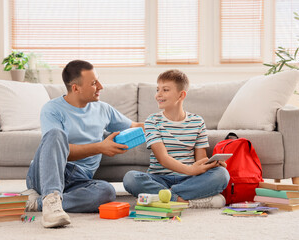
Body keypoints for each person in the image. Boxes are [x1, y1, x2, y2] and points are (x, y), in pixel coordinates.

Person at [23, 60, 144, 228]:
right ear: (75, 88)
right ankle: (51, 198)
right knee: (56, 134)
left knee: (106, 192)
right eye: (94, 83)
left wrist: (164, 123)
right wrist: (99, 147)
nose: (101, 86)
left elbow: (135, 126)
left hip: (79, 178)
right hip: (46, 172)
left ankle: (39, 203)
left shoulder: (103, 109)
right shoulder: (52, 109)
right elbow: (56, 149)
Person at [123, 69, 230, 208]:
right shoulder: (152, 121)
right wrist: (190, 169)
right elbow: (163, 159)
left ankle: (166, 197)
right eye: (157, 90)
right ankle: (184, 201)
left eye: (165, 90)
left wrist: (212, 164)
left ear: (181, 95)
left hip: (189, 180)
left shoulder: (197, 121)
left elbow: (200, 159)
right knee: (130, 178)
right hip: (160, 179)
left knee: (222, 174)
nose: (158, 95)